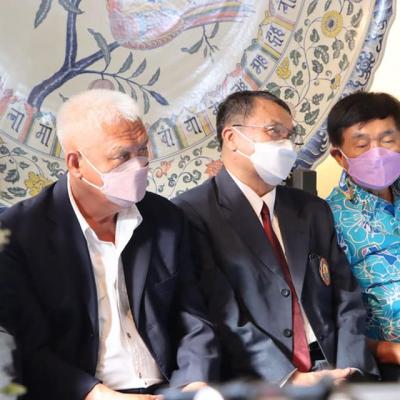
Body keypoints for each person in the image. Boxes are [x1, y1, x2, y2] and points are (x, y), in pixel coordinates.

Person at [0, 89, 219, 400]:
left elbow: (192, 314)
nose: (139, 165)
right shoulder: (19, 232)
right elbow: (26, 345)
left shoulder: (165, 218)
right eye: (122, 156)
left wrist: (194, 383)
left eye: (142, 150)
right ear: (76, 163)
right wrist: (96, 394)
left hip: (170, 388)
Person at [173, 90, 378, 386]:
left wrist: (352, 370)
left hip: (337, 367)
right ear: (232, 137)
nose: (286, 145)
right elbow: (221, 313)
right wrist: (288, 379)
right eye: (274, 132)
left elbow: (346, 295)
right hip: (263, 379)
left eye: (289, 135)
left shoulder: (311, 209)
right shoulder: (192, 213)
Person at [326, 91, 400, 380]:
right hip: (384, 363)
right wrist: (387, 351)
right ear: (339, 156)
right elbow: (329, 315)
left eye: (387, 140)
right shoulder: (325, 218)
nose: (377, 153)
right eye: (362, 145)